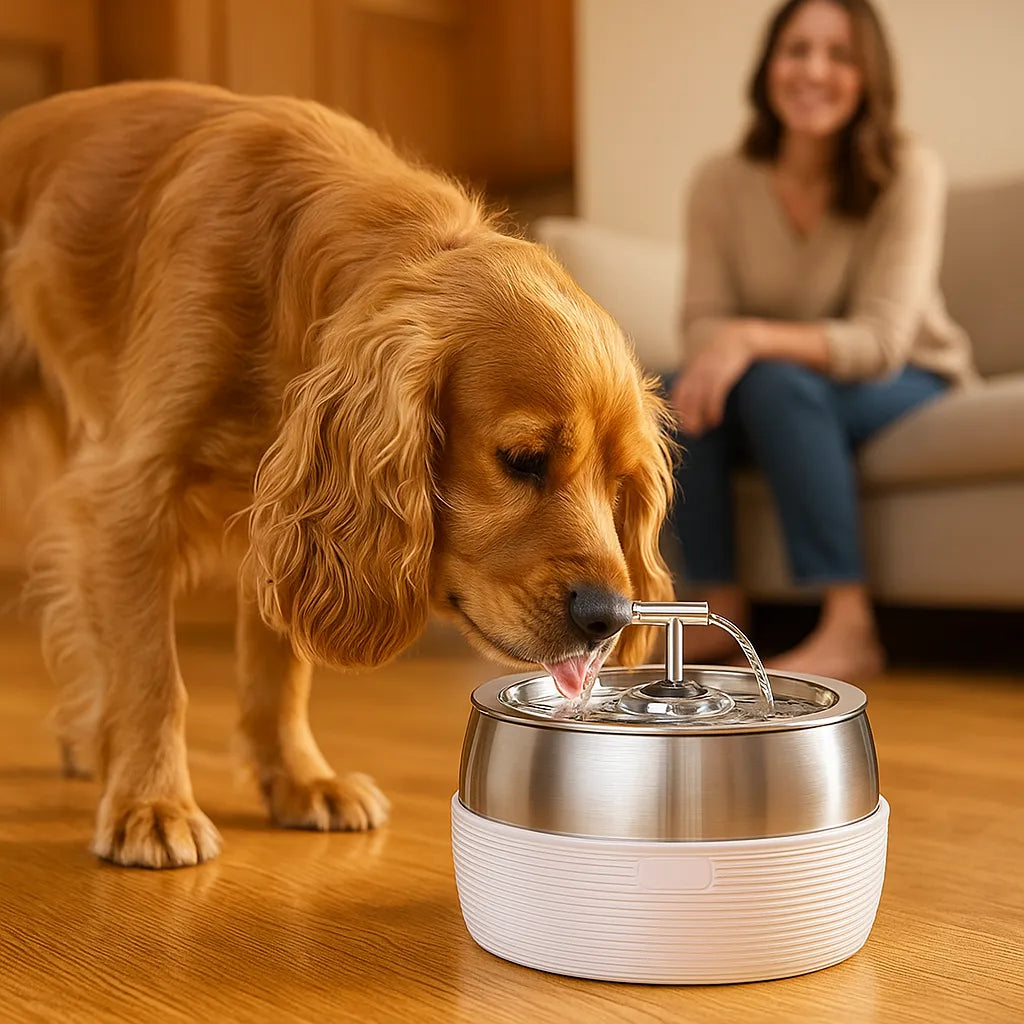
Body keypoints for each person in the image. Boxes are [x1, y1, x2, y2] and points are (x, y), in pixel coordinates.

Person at [668, 0, 977, 680]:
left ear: (868, 76)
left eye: (839, 55)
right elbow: (701, 321)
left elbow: (882, 341)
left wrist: (750, 338)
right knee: (670, 391)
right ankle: (720, 613)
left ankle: (850, 626)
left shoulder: (907, 170)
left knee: (777, 381)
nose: (814, 70)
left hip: (909, 376)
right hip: (786, 387)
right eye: (796, 49)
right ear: (768, 65)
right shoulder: (719, 182)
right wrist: (731, 345)